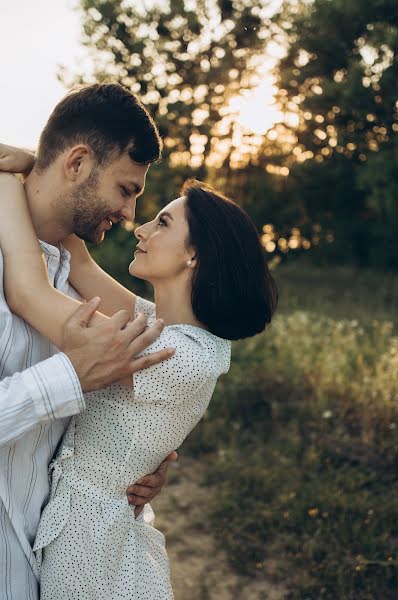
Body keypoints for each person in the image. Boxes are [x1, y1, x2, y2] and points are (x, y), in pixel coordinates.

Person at [0, 168, 277, 596]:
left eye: (163, 222)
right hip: (90, 532)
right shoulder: (157, 325)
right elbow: (82, 262)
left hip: (89, 553)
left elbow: (27, 291)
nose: (141, 228)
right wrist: (43, 169)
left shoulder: (177, 355)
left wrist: (3, 178)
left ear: (195, 256)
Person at [0, 84, 180, 600]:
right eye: (126, 190)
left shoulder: (76, 275)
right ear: (78, 162)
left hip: (50, 570)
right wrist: (67, 378)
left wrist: (133, 466)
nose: (129, 215)